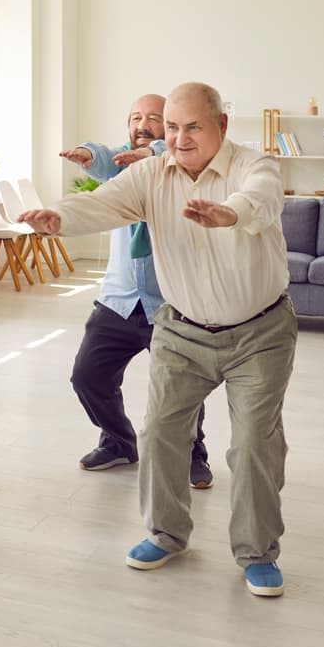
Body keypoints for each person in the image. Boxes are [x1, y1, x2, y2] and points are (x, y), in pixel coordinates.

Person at [19, 82, 294, 597]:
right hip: (182, 329)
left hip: (259, 333)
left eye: (192, 127)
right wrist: (59, 218)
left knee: (255, 442)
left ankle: (257, 552)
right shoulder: (150, 173)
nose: (179, 137)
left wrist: (227, 213)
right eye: (172, 127)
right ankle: (167, 533)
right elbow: (104, 204)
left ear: (222, 126)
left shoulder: (254, 166)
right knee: (162, 432)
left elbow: (259, 201)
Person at [60, 93, 213, 490]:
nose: (142, 125)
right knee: (87, 376)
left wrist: (157, 154)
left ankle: (194, 452)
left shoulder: (182, 166)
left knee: (182, 387)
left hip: (171, 302)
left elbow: (167, 154)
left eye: (153, 118)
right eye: (135, 117)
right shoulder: (123, 166)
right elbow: (106, 156)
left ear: (172, 126)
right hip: (119, 300)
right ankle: (118, 441)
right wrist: (87, 155)